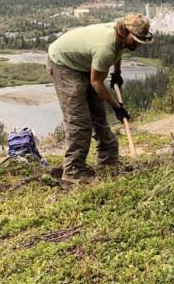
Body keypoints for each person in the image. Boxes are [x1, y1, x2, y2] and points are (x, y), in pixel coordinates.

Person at [46, 13, 153, 183]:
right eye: (136, 40)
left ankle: (108, 162)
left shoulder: (119, 36)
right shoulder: (105, 47)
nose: (138, 45)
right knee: (79, 120)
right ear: (126, 32)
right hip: (63, 64)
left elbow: (118, 51)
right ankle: (74, 170)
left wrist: (117, 72)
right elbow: (96, 83)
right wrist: (117, 107)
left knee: (98, 114)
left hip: (83, 63)